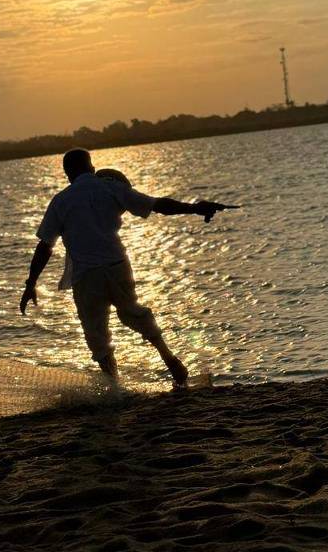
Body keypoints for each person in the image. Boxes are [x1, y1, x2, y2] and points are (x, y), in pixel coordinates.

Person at [20, 148, 237, 386]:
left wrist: (31, 283)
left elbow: (45, 245)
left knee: (96, 332)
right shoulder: (111, 188)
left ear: (67, 174)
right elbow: (158, 205)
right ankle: (169, 358)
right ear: (91, 168)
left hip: (86, 276)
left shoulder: (60, 201)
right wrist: (195, 208)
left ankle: (114, 386)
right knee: (133, 311)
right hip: (117, 265)